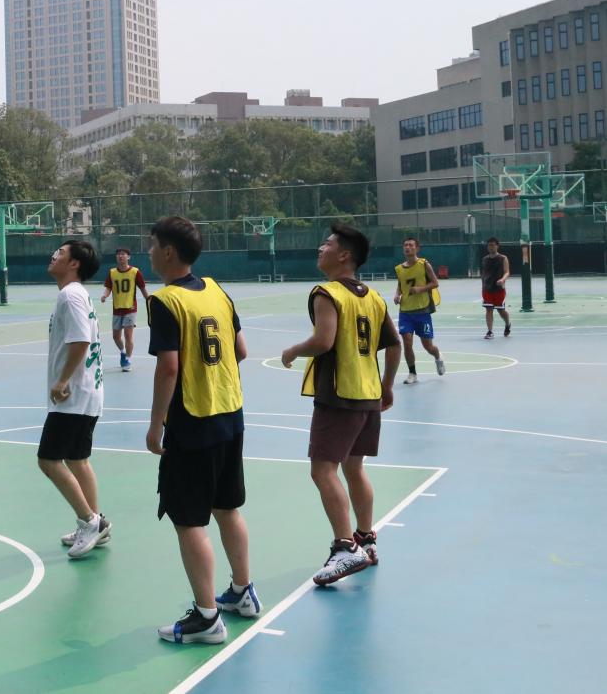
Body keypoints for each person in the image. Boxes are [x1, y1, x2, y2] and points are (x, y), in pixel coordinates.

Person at [144, 216, 259, 646]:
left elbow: (169, 368)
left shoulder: (165, 301)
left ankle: (207, 617)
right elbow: (241, 350)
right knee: (227, 508)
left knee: (189, 520)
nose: (149, 252)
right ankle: (243, 592)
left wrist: (155, 425)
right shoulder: (216, 290)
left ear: (168, 251)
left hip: (193, 422)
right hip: (231, 413)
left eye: (152, 245)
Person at [281, 223, 401, 586]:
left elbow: (323, 340)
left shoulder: (327, 293)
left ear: (344, 255)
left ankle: (345, 547)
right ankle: (367, 540)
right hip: (368, 395)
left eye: (328, 244)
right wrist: (386, 387)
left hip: (339, 395)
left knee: (322, 471)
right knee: (354, 469)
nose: (321, 248)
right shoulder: (373, 297)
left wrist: (293, 350)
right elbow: (394, 344)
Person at [39, 240, 108, 560]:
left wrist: (62, 380)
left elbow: (81, 340)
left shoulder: (70, 295)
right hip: (87, 393)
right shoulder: (76, 294)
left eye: (61, 253)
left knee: (48, 460)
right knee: (77, 459)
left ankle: (89, 521)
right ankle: (97, 523)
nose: (54, 255)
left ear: (74, 263)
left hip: (74, 395)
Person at [393, 237, 445, 384]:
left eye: (411, 245)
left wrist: (420, 289)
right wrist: (397, 295)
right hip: (405, 312)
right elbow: (400, 285)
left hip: (422, 311)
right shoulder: (399, 269)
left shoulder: (424, 264)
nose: (407, 247)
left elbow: (435, 283)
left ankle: (438, 356)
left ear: (417, 248)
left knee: (428, 346)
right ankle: (412, 373)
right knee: (407, 341)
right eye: (405, 245)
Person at [100, 247, 150, 372]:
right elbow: (108, 287)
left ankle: (127, 359)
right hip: (117, 309)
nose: (120, 256)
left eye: (123, 254)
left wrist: (150, 301)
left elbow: (142, 288)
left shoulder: (135, 272)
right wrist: (105, 295)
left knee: (128, 335)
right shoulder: (112, 272)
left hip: (130, 309)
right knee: (116, 337)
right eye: (118, 254)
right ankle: (122, 352)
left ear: (128, 257)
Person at [481, 237, 513, 340]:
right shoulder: (485, 259)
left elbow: (507, 272)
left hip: (499, 289)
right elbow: (484, 274)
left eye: (493, 245)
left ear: (497, 246)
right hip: (487, 289)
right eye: (489, 245)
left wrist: (503, 280)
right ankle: (490, 331)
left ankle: (507, 324)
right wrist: (483, 286)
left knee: (501, 311)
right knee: (489, 309)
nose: (491, 247)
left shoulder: (503, 258)